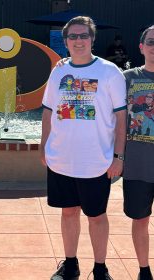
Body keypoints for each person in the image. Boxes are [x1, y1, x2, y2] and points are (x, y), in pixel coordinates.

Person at [41, 16, 127, 280]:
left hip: (96, 161)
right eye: (73, 37)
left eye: (83, 36)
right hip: (62, 159)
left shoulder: (110, 72)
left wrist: (118, 156)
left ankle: (100, 268)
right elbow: (47, 111)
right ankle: (70, 264)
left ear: (92, 39)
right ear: (65, 41)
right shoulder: (59, 71)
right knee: (68, 213)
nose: (78, 41)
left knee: (97, 216)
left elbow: (121, 118)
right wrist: (45, 147)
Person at [123, 25, 154, 280]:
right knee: (140, 219)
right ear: (141, 47)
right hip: (137, 166)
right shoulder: (126, 78)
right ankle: (144, 270)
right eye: (151, 42)